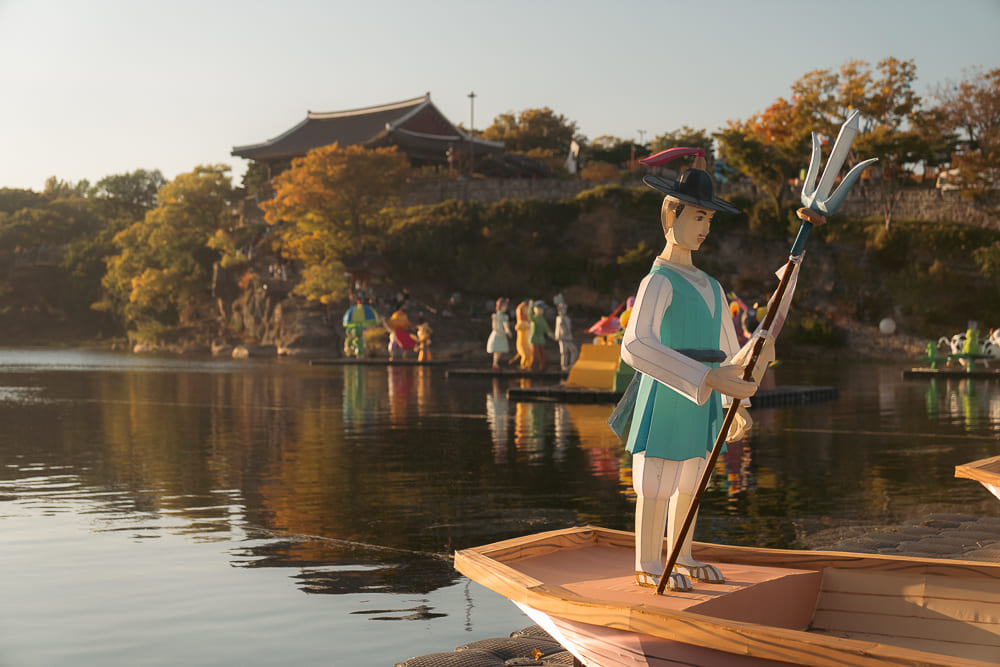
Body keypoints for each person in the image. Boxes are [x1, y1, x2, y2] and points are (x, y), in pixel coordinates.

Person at [618, 153, 774, 592]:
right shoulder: (658, 281)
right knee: (657, 480)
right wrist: (707, 379)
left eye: (709, 218)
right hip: (669, 391)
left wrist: (739, 391)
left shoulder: (713, 286)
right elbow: (634, 345)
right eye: (698, 216)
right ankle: (648, 560)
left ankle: (682, 554)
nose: (705, 227)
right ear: (672, 214)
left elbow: (728, 353)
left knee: (693, 477)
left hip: (705, 398)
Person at [553, 294, 579, 371]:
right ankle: (564, 366)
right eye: (562, 309)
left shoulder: (566, 318)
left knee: (574, 350)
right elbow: (563, 329)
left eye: (564, 309)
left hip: (567, 337)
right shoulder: (560, 319)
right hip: (563, 338)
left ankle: (571, 364)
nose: (564, 311)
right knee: (564, 352)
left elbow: (568, 328)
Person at [528, 300, 555, 371]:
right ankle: (531, 368)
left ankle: (542, 368)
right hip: (534, 339)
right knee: (534, 354)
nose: (541, 311)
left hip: (541, 339)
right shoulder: (534, 318)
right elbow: (530, 316)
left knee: (542, 354)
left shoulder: (542, 319)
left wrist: (552, 335)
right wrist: (530, 308)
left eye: (542, 309)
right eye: (540, 309)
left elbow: (547, 328)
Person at [486, 298, 513, 369]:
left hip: (502, 335)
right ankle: (495, 363)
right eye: (503, 306)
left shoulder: (505, 317)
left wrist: (508, 332)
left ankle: (496, 363)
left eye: (505, 307)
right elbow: (494, 327)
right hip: (497, 334)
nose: (505, 308)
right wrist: (502, 332)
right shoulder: (495, 316)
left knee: (500, 350)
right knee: (497, 350)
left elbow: (506, 326)